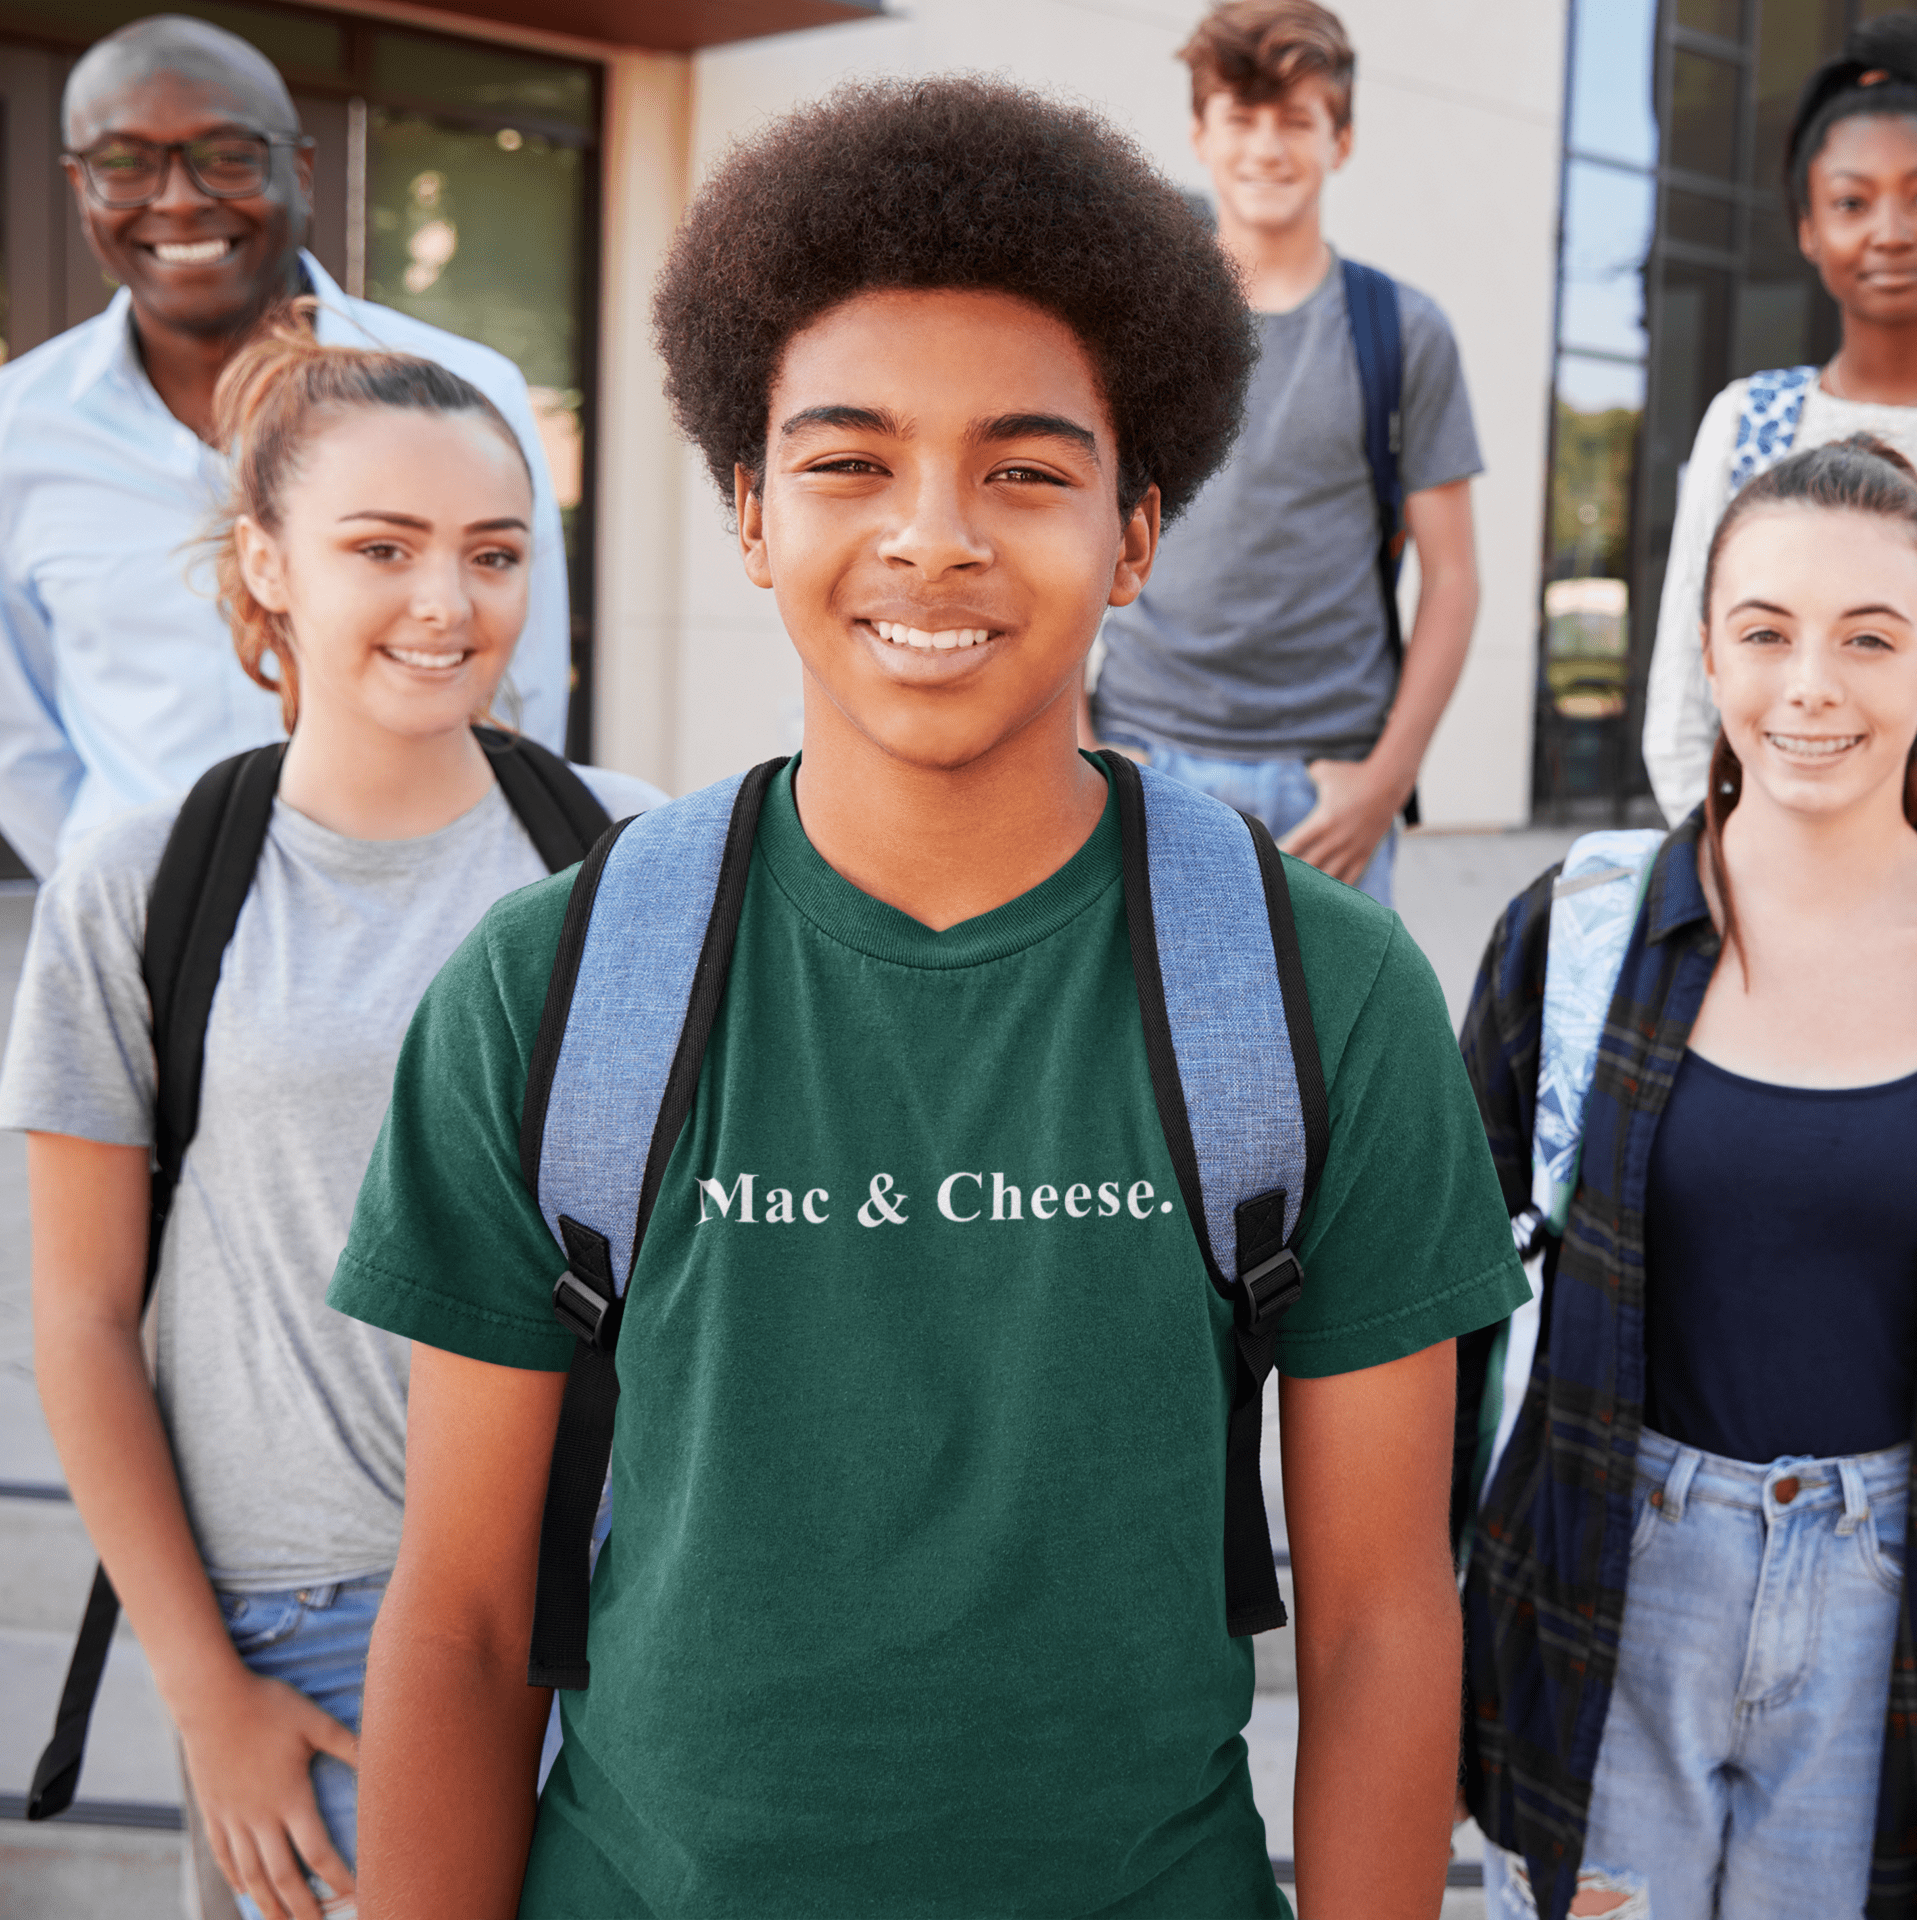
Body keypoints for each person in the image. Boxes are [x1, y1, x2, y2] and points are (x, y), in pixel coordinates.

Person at [327, 74, 1527, 1920]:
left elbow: (1377, 1621)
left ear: (1136, 532)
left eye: (1028, 470)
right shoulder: (555, 990)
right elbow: (471, 1621)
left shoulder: (1315, 995)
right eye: (848, 461)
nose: (935, 537)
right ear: (746, 508)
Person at [0, 321, 659, 1920]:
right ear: (267, 565)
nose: (449, 602)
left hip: (628, 1611)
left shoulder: (638, 854)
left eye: (493, 554)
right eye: (386, 548)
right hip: (303, 1634)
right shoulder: (143, 882)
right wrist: (205, 1691)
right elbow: (84, 1324)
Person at [1458, 436, 1917, 1917]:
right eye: (1766, 631)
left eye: (1871, 638)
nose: (1811, 687)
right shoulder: (1583, 934)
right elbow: (1450, 1293)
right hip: (1616, 1575)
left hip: (1882, 1617)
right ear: (1707, 652)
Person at [0, 12, 573, 879]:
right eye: (125, 163)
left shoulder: (465, 393)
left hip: (424, 913)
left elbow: (513, 686)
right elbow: (19, 739)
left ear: (300, 171)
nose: (180, 198)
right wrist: (113, 895)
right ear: (79, 188)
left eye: (226, 155)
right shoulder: (17, 432)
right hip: (145, 937)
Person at [1085, 0, 1481, 907]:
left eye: (1296, 120)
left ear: (1340, 141)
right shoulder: (1139, 329)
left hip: (1328, 786)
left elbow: (1454, 580)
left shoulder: (1403, 333)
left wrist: (1387, 780)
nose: (1267, 147)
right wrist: (1083, 742)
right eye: (1241, 117)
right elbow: (1074, 527)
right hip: (1143, 760)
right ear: (1199, 133)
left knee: (1326, 1052)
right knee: (1137, 1050)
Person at [1644, 13, 1917, 824]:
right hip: (1762, 883)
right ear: (1808, 226)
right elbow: (1681, 706)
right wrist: (1729, 874)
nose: (1890, 233)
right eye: (1851, 201)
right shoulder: (1750, 421)